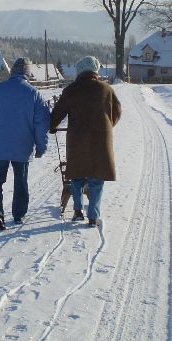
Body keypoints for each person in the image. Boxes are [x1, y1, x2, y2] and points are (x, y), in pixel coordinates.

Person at [0, 58, 50, 231]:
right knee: (21, 181)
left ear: (12, 72)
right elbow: (41, 123)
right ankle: (19, 214)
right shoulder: (34, 94)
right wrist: (41, 147)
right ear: (27, 73)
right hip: (22, 146)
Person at [50, 56, 121, 227]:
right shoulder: (106, 89)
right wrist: (107, 125)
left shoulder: (71, 90)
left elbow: (58, 112)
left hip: (77, 139)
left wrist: (52, 126)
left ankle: (77, 211)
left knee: (77, 174)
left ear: (79, 71)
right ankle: (93, 216)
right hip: (100, 139)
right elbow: (117, 112)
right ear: (95, 70)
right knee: (97, 177)